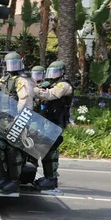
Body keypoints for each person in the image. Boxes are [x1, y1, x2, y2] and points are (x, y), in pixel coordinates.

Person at [0, 52, 35, 194]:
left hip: (16, 118)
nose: (12, 67)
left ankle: (14, 181)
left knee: (13, 150)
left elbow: (25, 101)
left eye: (14, 64)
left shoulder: (22, 80)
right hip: (4, 119)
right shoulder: (6, 78)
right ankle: (3, 177)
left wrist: (18, 118)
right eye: (9, 64)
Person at [33, 61, 73, 190]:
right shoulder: (51, 84)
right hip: (48, 121)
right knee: (45, 148)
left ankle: (51, 178)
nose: (53, 75)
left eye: (55, 72)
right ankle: (48, 177)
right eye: (51, 72)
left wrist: (32, 90)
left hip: (56, 122)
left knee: (50, 149)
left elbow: (50, 95)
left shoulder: (64, 85)